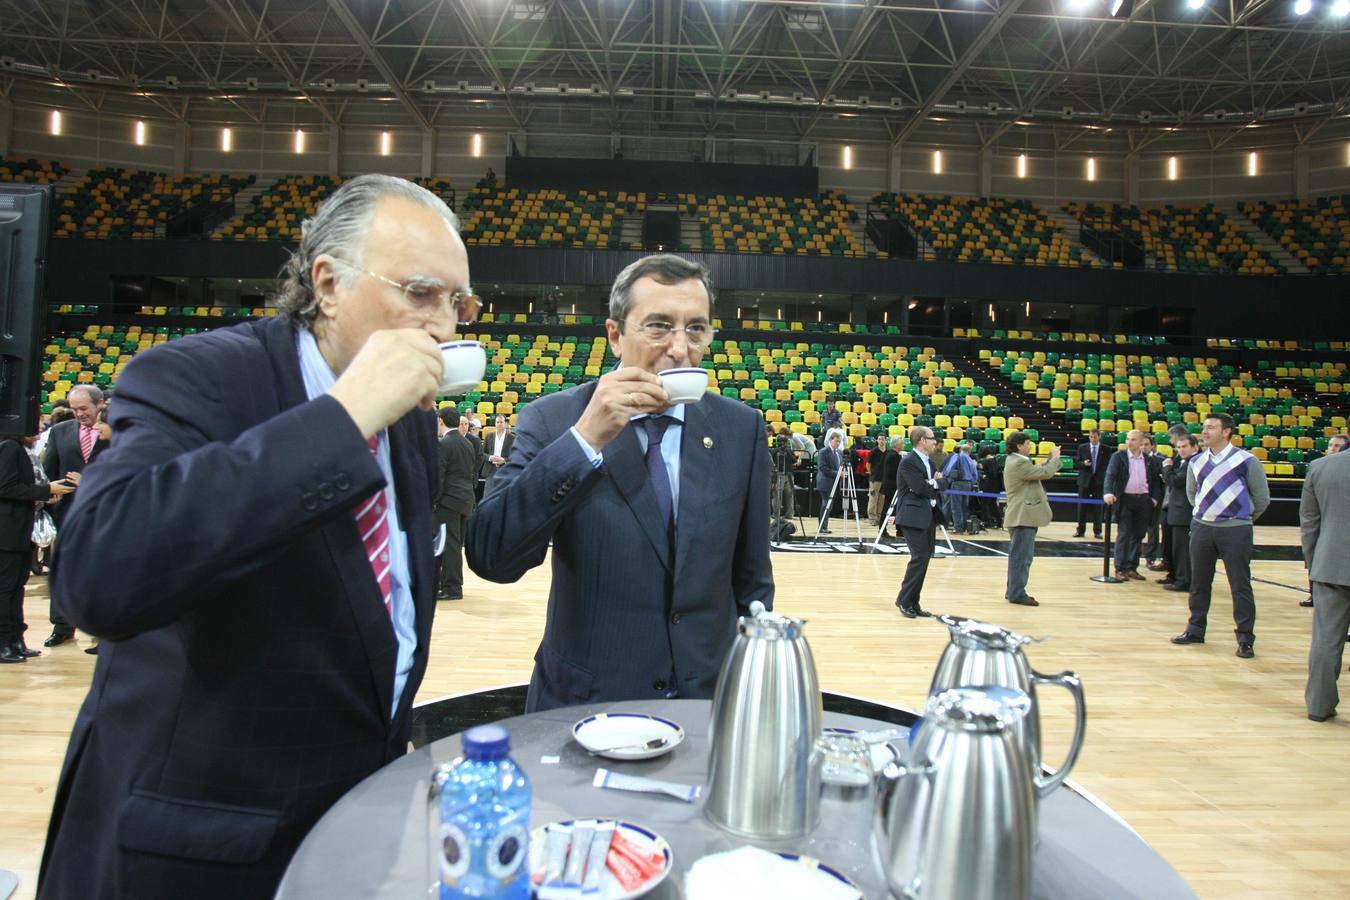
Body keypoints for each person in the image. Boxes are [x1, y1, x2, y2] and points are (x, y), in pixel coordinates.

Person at [37, 174, 473, 900]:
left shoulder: (412, 421)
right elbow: (99, 577)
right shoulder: (195, 376)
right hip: (194, 851)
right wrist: (341, 419)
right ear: (328, 282)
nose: (445, 325)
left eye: (457, 304)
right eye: (421, 293)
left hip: (346, 828)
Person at [465, 253, 773, 713]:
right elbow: (493, 555)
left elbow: (752, 581)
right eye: (658, 326)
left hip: (707, 703)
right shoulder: (555, 420)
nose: (680, 347)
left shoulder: (740, 428)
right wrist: (584, 441)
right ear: (615, 335)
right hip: (584, 705)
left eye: (696, 328)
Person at [1171, 413, 1270, 659]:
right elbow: (1193, 495)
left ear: (1226, 432)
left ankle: (1245, 638)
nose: (1204, 432)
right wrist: (1206, 515)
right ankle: (1195, 629)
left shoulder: (1246, 460)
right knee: (1199, 582)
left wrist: (1240, 518)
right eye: (1204, 427)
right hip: (1203, 527)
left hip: (1236, 530)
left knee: (1240, 585)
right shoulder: (1196, 462)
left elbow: (1262, 499)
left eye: (1211, 428)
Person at [38, 384, 106, 647]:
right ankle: (62, 626)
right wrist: (47, 494)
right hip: (67, 514)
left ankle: (102, 631)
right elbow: (48, 471)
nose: (79, 414)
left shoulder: (115, 431)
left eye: (84, 408)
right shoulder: (59, 431)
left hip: (104, 514)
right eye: (74, 409)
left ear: (100, 404)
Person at [0, 432, 72, 662]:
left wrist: (45, 492)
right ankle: (4, 643)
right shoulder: (10, 447)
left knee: (16, 587)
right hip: (8, 531)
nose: (40, 429)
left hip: (21, 529)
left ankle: (16, 640)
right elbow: (7, 487)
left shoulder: (23, 449)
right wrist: (46, 490)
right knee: (6, 589)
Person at [1301, 444, 1350, 722]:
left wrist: (1314, 563)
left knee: (1326, 640)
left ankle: (1319, 707)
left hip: (1331, 565)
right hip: (1330, 566)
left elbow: (1309, 523)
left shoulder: (1320, 467)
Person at [892, 426, 948, 619]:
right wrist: (934, 483)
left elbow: (937, 485)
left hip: (927, 515)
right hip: (912, 517)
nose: (935, 442)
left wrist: (932, 484)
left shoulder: (929, 462)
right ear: (922, 440)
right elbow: (919, 488)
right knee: (919, 558)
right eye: (932, 438)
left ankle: (912, 601)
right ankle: (905, 601)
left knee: (924, 558)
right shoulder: (908, 462)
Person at [1002, 432, 1060, 607]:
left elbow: (1036, 471)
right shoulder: (1018, 462)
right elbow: (1045, 473)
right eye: (1028, 443)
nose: (1030, 446)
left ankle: (1013, 590)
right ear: (1019, 446)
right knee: (1022, 557)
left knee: (1018, 557)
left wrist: (1049, 460)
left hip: (1022, 515)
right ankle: (1017, 593)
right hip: (1022, 516)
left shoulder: (1016, 461)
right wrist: (1055, 459)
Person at [1103, 429, 1164, 581]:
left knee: (1138, 535)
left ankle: (1132, 567)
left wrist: (1154, 499)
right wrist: (1108, 492)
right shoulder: (1118, 457)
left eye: (1133, 439)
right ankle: (1120, 568)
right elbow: (1110, 476)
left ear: (1141, 442)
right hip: (1125, 500)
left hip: (1144, 501)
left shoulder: (1151, 461)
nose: (1129, 442)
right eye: (1128, 439)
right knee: (1124, 534)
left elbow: (1157, 483)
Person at [435, 406, 479, 601]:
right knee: (455, 544)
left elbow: (439, 476)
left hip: (449, 501)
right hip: (466, 498)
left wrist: (434, 501)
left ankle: (452, 588)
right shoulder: (467, 443)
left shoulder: (444, 444)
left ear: (441, 421)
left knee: (450, 545)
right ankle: (451, 584)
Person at [1302, 434, 1348, 607]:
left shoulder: (1319, 467)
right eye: (1331, 445)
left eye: (1337, 445)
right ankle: (1313, 593)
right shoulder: (1318, 468)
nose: (1333, 448)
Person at [1160, 432, 1199, 594]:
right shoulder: (1183, 461)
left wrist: (1167, 468)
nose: (1181, 450)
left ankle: (1184, 581)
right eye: (1178, 447)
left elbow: (1175, 481)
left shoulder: (1194, 462)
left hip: (1184, 513)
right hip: (1176, 512)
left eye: (1184, 447)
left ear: (1195, 447)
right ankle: (1176, 576)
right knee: (1175, 548)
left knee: (1182, 550)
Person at [1074, 429, 1107, 538]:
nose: (1093, 439)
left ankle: (1097, 531)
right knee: (1081, 506)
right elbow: (1077, 463)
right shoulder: (1082, 447)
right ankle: (1080, 530)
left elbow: (1107, 465)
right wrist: (1083, 464)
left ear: (1099, 437)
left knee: (1098, 507)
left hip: (1098, 481)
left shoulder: (1106, 449)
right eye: (1091, 437)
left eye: (1095, 437)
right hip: (1084, 481)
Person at [940, 441, 979, 533]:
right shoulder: (971, 460)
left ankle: (958, 528)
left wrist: (946, 478)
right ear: (969, 451)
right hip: (968, 484)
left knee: (956, 506)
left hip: (958, 483)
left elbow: (948, 469)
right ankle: (965, 526)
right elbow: (975, 475)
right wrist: (972, 483)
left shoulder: (957, 456)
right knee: (964, 506)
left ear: (961, 449)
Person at [816, 430, 844, 532]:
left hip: (835, 483)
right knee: (826, 504)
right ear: (831, 440)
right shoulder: (823, 452)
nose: (838, 443)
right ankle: (822, 527)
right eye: (836, 441)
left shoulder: (839, 453)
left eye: (839, 441)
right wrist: (838, 474)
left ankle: (824, 526)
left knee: (829, 505)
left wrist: (842, 473)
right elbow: (823, 468)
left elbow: (840, 466)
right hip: (825, 482)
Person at [482, 413, 516, 486]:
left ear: (505, 423)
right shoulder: (489, 436)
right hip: (490, 470)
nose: (499, 424)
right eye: (497, 422)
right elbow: (482, 453)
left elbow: (516, 455)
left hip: (506, 470)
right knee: (489, 495)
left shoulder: (512, 438)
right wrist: (490, 458)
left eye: (501, 422)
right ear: (495, 423)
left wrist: (504, 460)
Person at [880, 435, 904, 538]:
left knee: (896, 508)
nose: (903, 445)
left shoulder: (890, 454)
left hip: (890, 486)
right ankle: (883, 530)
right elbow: (893, 472)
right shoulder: (894, 456)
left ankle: (899, 529)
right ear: (898, 445)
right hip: (892, 487)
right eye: (902, 443)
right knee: (888, 509)